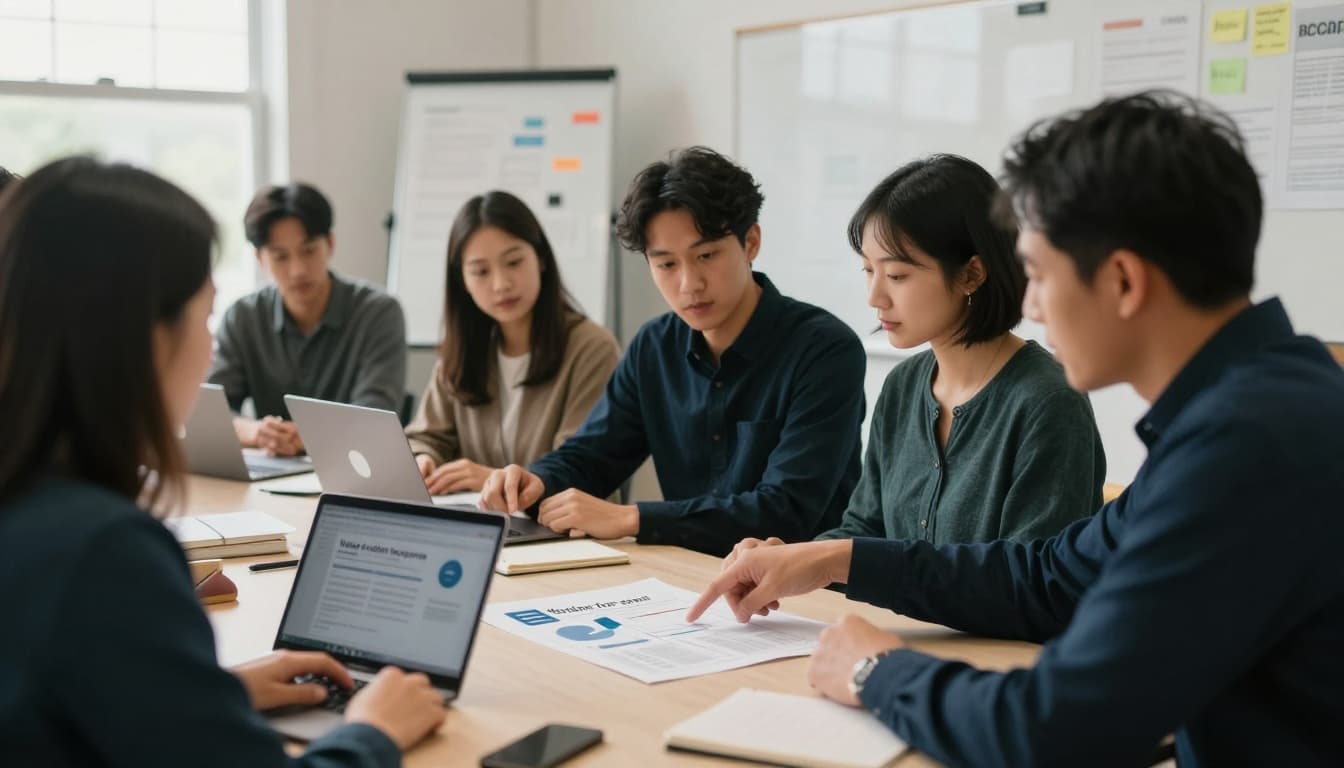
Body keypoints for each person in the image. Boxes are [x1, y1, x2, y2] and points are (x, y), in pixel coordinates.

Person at [689, 92, 1344, 767]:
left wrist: (877, 673)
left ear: (1121, 280)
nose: (1028, 303)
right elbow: (1053, 576)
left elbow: (1057, 730)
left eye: (1036, 272)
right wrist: (835, 558)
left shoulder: (1249, 445)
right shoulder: (1252, 406)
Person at [0, 157, 444, 765]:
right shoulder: (106, 551)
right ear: (145, 335)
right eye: (204, 314)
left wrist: (210, 692)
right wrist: (374, 731)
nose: (210, 339)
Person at [479, 147, 866, 557]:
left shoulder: (825, 350)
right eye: (666, 264)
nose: (688, 284)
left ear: (750, 242)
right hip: (689, 579)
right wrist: (536, 479)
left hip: (804, 594)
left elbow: (785, 511)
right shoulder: (654, 346)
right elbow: (593, 453)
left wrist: (631, 518)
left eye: (706, 256)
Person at [801, 154, 1101, 544]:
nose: (875, 296)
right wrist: (790, 559)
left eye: (896, 275)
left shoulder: (1048, 401)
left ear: (971, 274)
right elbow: (864, 529)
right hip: (881, 611)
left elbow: (1029, 582)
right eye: (868, 270)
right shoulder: (903, 385)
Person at [404, 191, 619, 494]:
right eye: (480, 271)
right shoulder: (463, 349)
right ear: (462, 281)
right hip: (478, 527)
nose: (501, 284)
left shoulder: (591, 348)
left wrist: (490, 479)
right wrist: (423, 459)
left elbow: (581, 466)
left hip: (560, 532)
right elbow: (425, 437)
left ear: (541, 258)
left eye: (514, 262)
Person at [208, 182, 407, 457]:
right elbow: (212, 410)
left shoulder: (378, 312)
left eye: (309, 251)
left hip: (354, 472)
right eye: (280, 257)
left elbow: (376, 414)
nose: (298, 270)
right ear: (259, 259)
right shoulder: (242, 317)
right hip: (273, 472)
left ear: (330, 244)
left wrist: (310, 438)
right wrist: (256, 432)